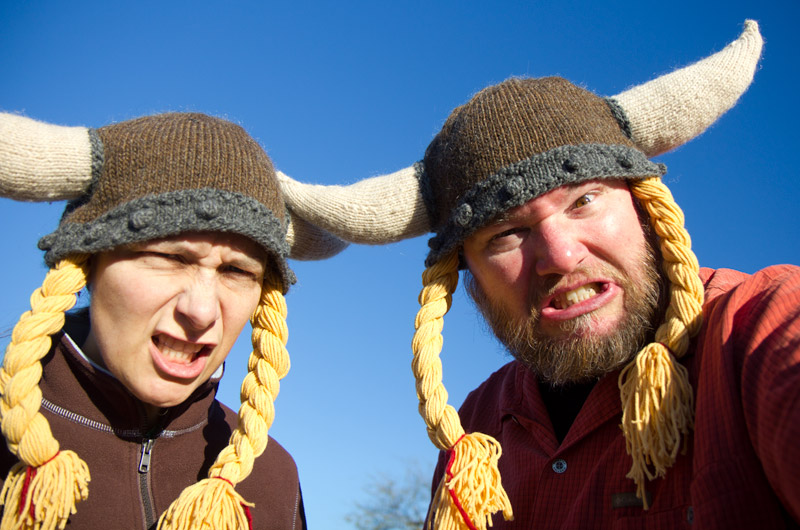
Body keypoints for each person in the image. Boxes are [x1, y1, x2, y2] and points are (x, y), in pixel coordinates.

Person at [277, 20, 800, 529]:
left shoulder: (757, 324)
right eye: (505, 234)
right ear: (465, 276)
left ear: (644, 206)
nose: (560, 255)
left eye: (584, 200)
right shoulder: (478, 423)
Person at [0, 112, 345, 529]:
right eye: (170, 258)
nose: (200, 311)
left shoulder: (273, 476)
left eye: (236, 271)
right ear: (87, 260)